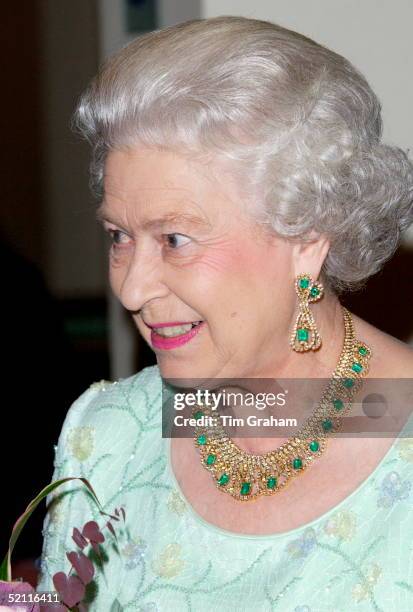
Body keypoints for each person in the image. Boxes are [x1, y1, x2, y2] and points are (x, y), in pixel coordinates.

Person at [37, 15, 413, 611]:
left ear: (308, 237)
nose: (132, 289)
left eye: (174, 240)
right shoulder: (105, 436)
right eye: (118, 235)